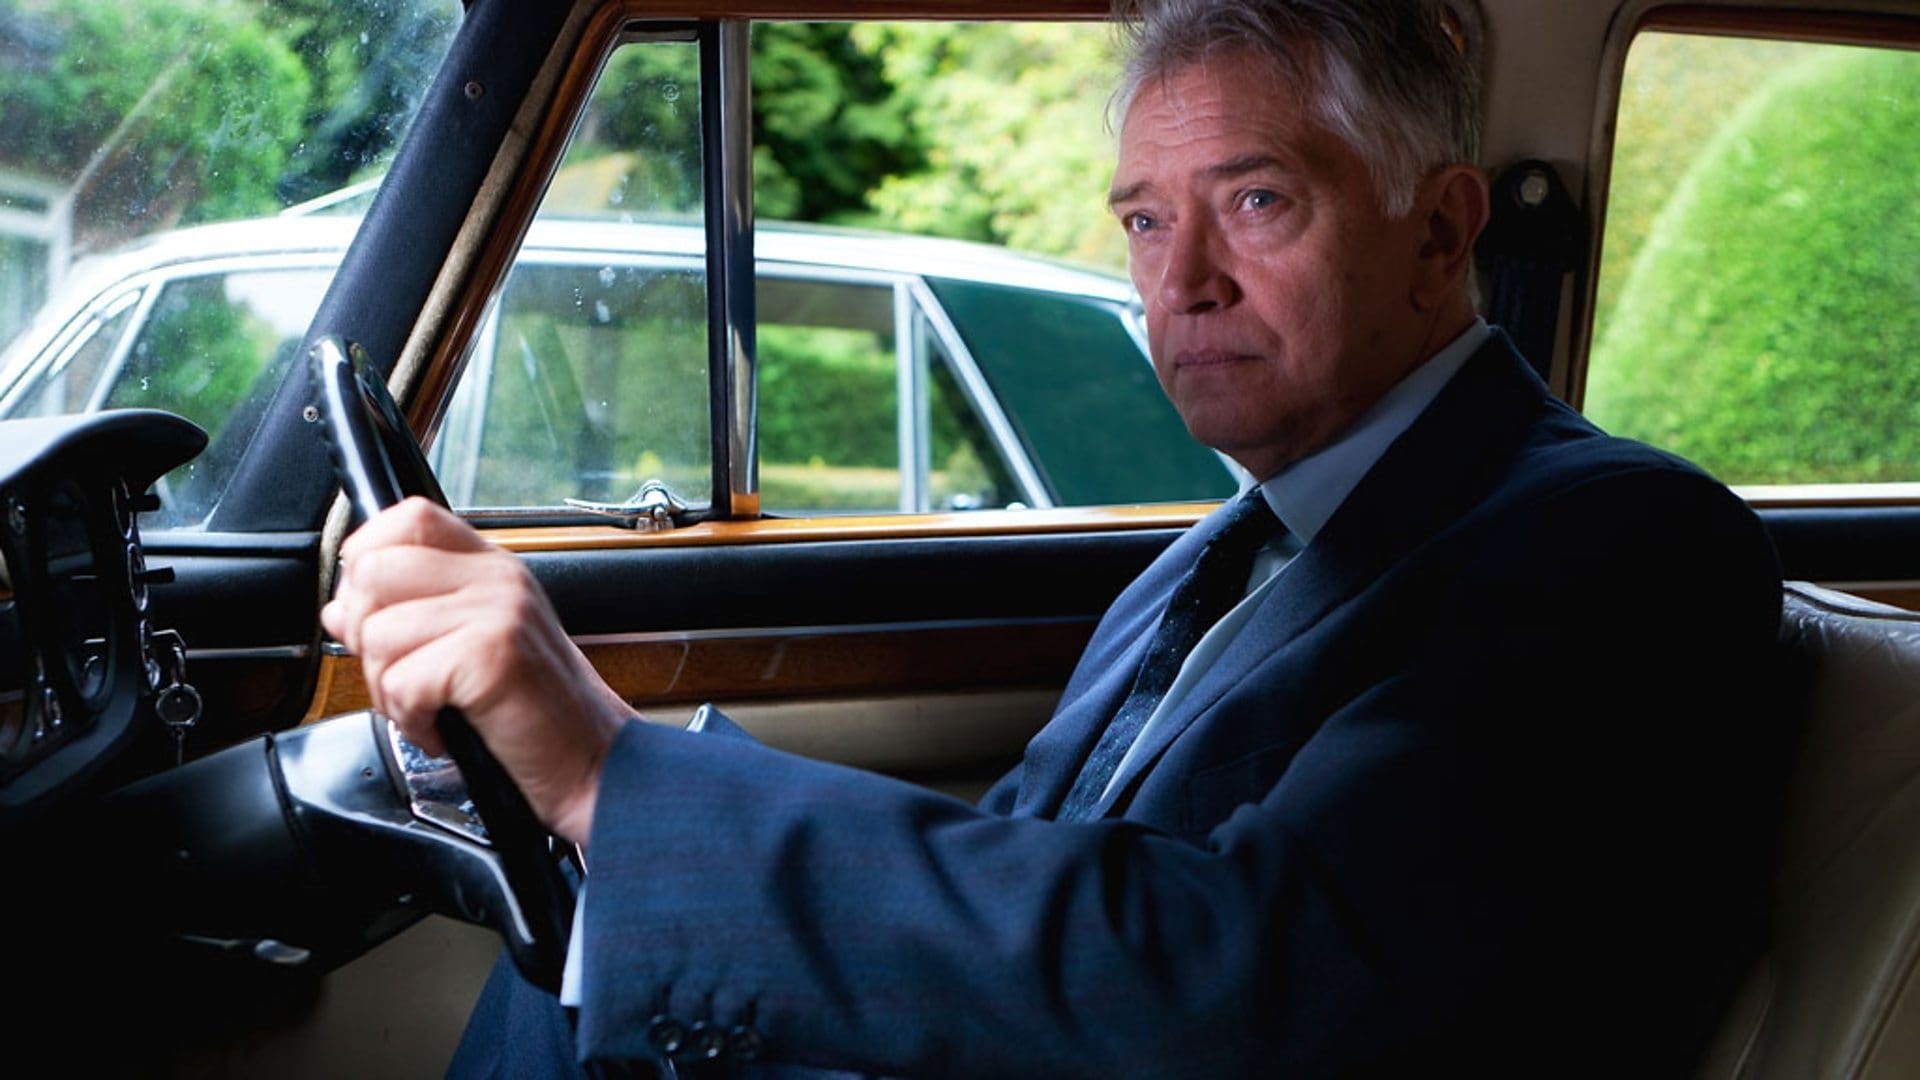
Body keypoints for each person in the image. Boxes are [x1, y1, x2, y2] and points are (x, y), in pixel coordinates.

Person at [322, 0, 1786, 1074]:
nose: (1183, 280)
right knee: (589, 979)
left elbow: (1251, 984)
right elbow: (1021, 865)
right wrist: (604, 784)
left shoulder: (1624, 548)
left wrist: (620, 779)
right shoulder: (1218, 553)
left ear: (1442, 232)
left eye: (1256, 200)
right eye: (1145, 222)